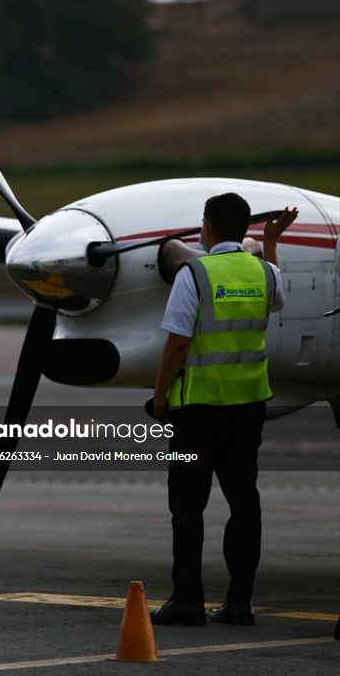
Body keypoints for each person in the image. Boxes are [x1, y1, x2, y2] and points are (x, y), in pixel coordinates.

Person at [149, 193, 297, 627]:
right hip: (248, 408)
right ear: (245, 229)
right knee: (244, 503)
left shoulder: (193, 273)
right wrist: (270, 244)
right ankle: (240, 602)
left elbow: (177, 342)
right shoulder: (262, 271)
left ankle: (188, 599)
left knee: (187, 507)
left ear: (208, 228)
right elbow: (277, 297)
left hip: (196, 411)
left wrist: (159, 396)